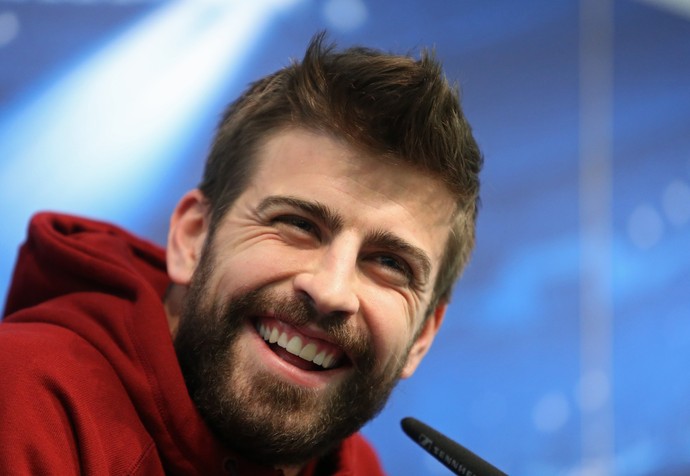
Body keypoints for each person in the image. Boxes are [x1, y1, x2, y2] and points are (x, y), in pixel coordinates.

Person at [0, 33, 482, 475]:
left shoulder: (356, 468)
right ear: (192, 239)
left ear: (422, 336)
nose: (332, 290)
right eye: (297, 225)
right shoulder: (20, 401)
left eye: (391, 264)